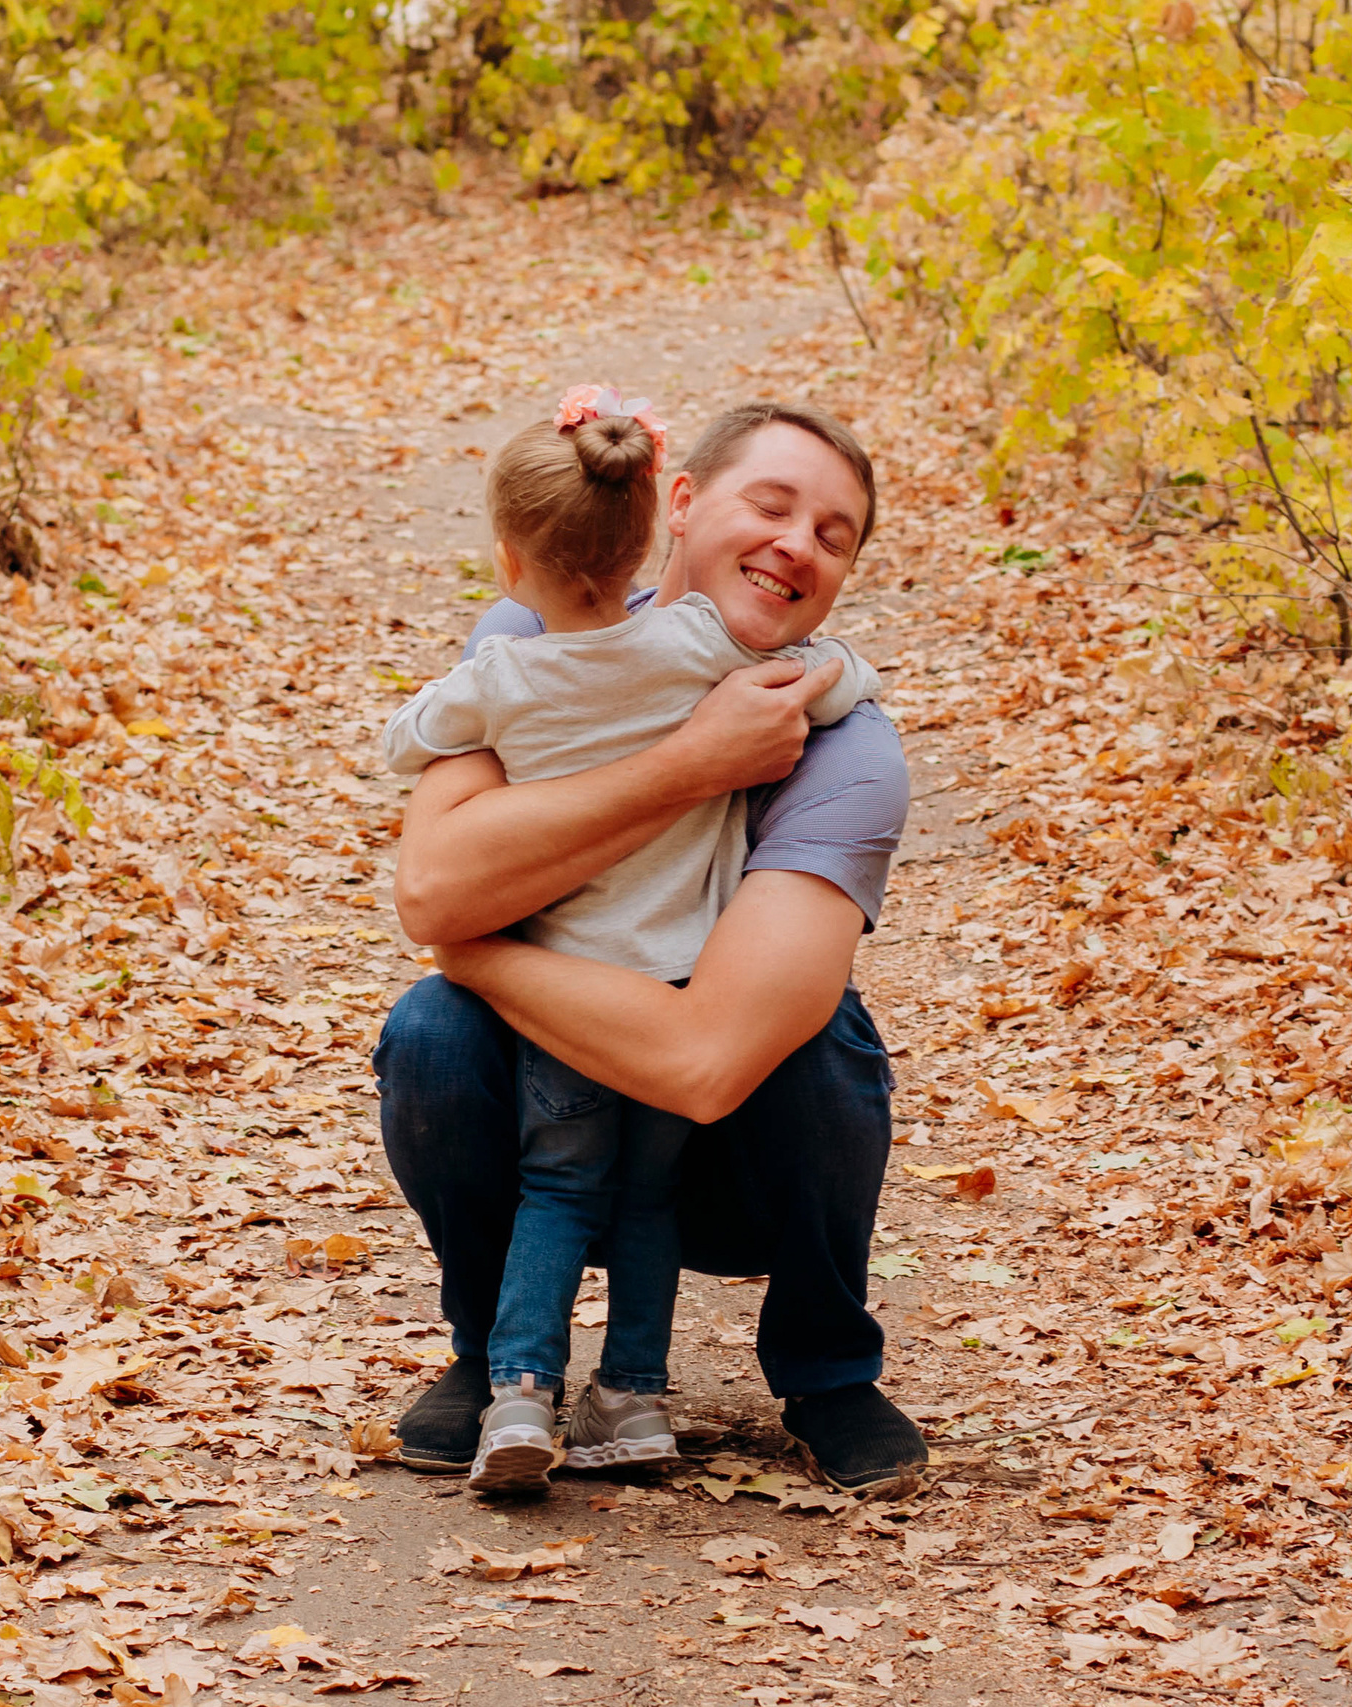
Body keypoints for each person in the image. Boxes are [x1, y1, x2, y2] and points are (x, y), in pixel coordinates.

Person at [374, 400, 924, 1496]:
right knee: (430, 1034)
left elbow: (706, 1062)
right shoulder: (531, 636)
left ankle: (824, 1367)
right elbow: (433, 883)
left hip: (729, 1145)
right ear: (677, 503)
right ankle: (491, 1361)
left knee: (821, 1039)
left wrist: (473, 947)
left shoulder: (848, 750)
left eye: (832, 534)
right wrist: (692, 763)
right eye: (770, 506)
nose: (794, 545)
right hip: (552, 1084)